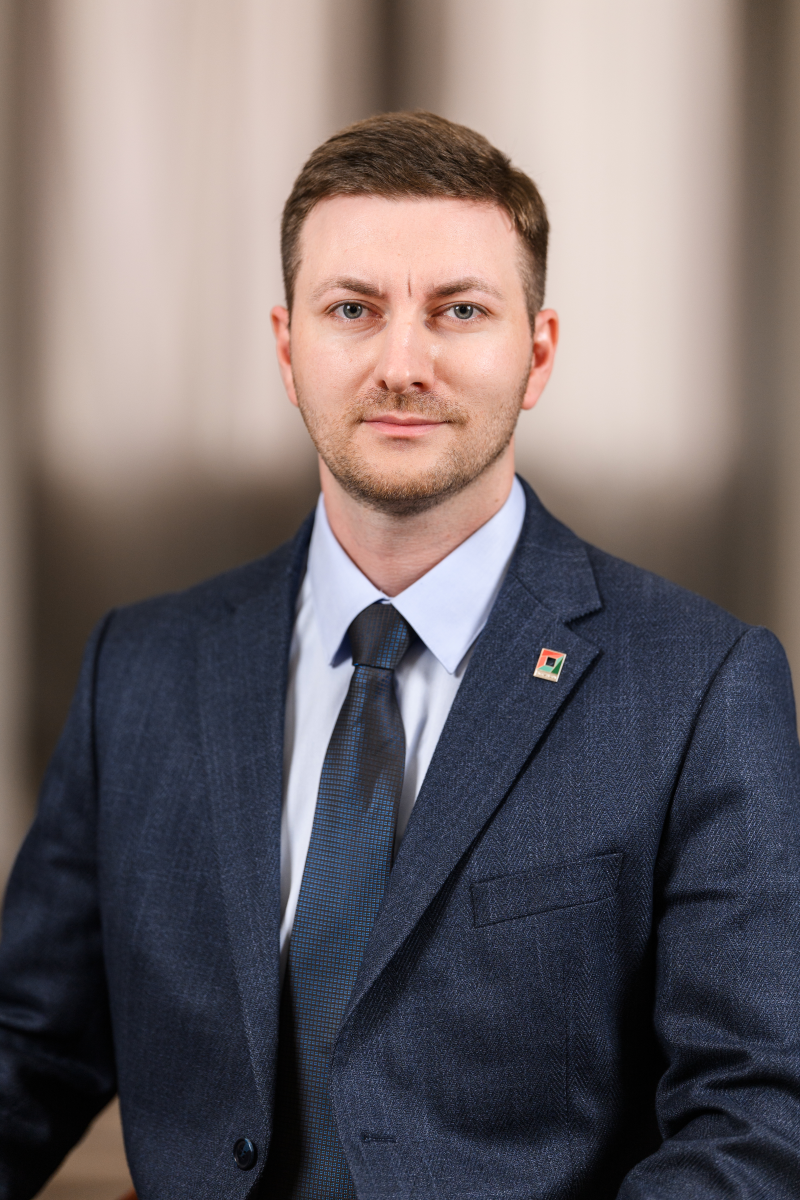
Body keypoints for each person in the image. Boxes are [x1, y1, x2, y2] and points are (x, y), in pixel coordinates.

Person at [1, 111, 799, 1200]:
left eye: (458, 311)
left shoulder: (700, 688)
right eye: (353, 310)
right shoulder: (138, 672)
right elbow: (28, 1052)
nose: (401, 365)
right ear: (287, 348)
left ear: (537, 353)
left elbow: (754, 1119)